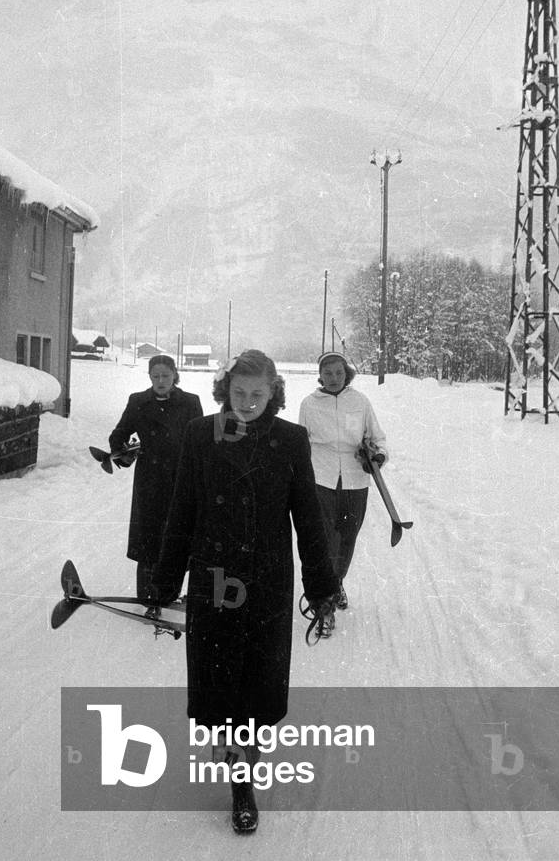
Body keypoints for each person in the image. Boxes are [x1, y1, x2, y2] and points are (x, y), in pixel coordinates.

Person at [151, 349, 338, 835]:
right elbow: (182, 511)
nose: (248, 402)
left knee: (255, 685)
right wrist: (166, 581)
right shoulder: (200, 435)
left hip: (267, 582)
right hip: (213, 578)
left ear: (274, 392)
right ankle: (238, 772)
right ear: (224, 389)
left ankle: (243, 779)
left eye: (258, 394)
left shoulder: (290, 440)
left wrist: (321, 587)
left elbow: (309, 519)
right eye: (239, 393)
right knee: (221, 684)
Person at [108, 354, 203, 611]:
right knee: (149, 539)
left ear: (175, 375)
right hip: (149, 480)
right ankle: (149, 598)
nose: (161, 381)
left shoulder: (191, 403)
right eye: (155, 376)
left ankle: (173, 594)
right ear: (150, 377)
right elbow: (119, 434)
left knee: (179, 536)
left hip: (181, 478)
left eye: (165, 376)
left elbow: (200, 440)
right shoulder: (138, 401)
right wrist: (122, 453)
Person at [298, 351, 388, 621]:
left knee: (348, 535)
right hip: (321, 477)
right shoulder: (309, 404)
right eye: (328, 373)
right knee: (325, 536)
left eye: (338, 372)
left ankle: (337, 582)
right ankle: (325, 588)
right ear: (320, 376)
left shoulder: (360, 402)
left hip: (354, 479)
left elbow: (377, 438)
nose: (334, 378)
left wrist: (377, 456)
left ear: (346, 373)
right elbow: (301, 444)